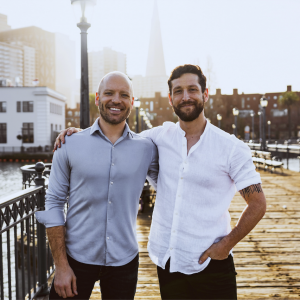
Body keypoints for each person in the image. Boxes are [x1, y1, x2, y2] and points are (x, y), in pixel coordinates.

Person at [55, 64, 266, 300]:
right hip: (169, 263)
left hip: (211, 264)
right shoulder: (156, 138)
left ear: (205, 94)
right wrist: (80, 134)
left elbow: (258, 204)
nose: (185, 97)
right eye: (178, 91)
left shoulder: (231, 148)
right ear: (170, 98)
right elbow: (117, 138)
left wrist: (226, 245)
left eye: (192, 90)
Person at [36, 71, 159, 300]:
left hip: (124, 261)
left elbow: (174, 183)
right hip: (75, 259)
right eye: (109, 93)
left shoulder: (147, 148)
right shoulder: (70, 144)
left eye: (124, 95)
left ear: (131, 102)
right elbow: (53, 203)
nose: (116, 100)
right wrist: (61, 266)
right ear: (97, 98)